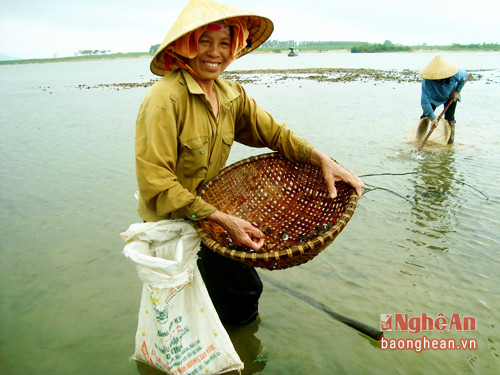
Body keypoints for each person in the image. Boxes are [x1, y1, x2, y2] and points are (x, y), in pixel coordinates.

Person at [135, 0, 364, 325]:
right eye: (204, 41)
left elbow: (275, 134)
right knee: (227, 299)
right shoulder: (165, 100)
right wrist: (224, 220)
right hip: (176, 222)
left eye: (224, 43)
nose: (214, 52)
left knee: (241, 295)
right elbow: (155, 184)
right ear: (186, 45)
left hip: (213, 215)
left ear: (235, 48)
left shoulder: (231, 95)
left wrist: (322, 159)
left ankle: (244, 351)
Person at [419, 55, 469, 144]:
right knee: (425, 117)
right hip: (434, 97)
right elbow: (425, 101)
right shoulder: (427, 81)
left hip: (451, 96)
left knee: (450, 118)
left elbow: (464, 78)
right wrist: (433, 118)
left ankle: (449, 143)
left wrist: (457, 91)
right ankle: (418, 139)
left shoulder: (456, 73)